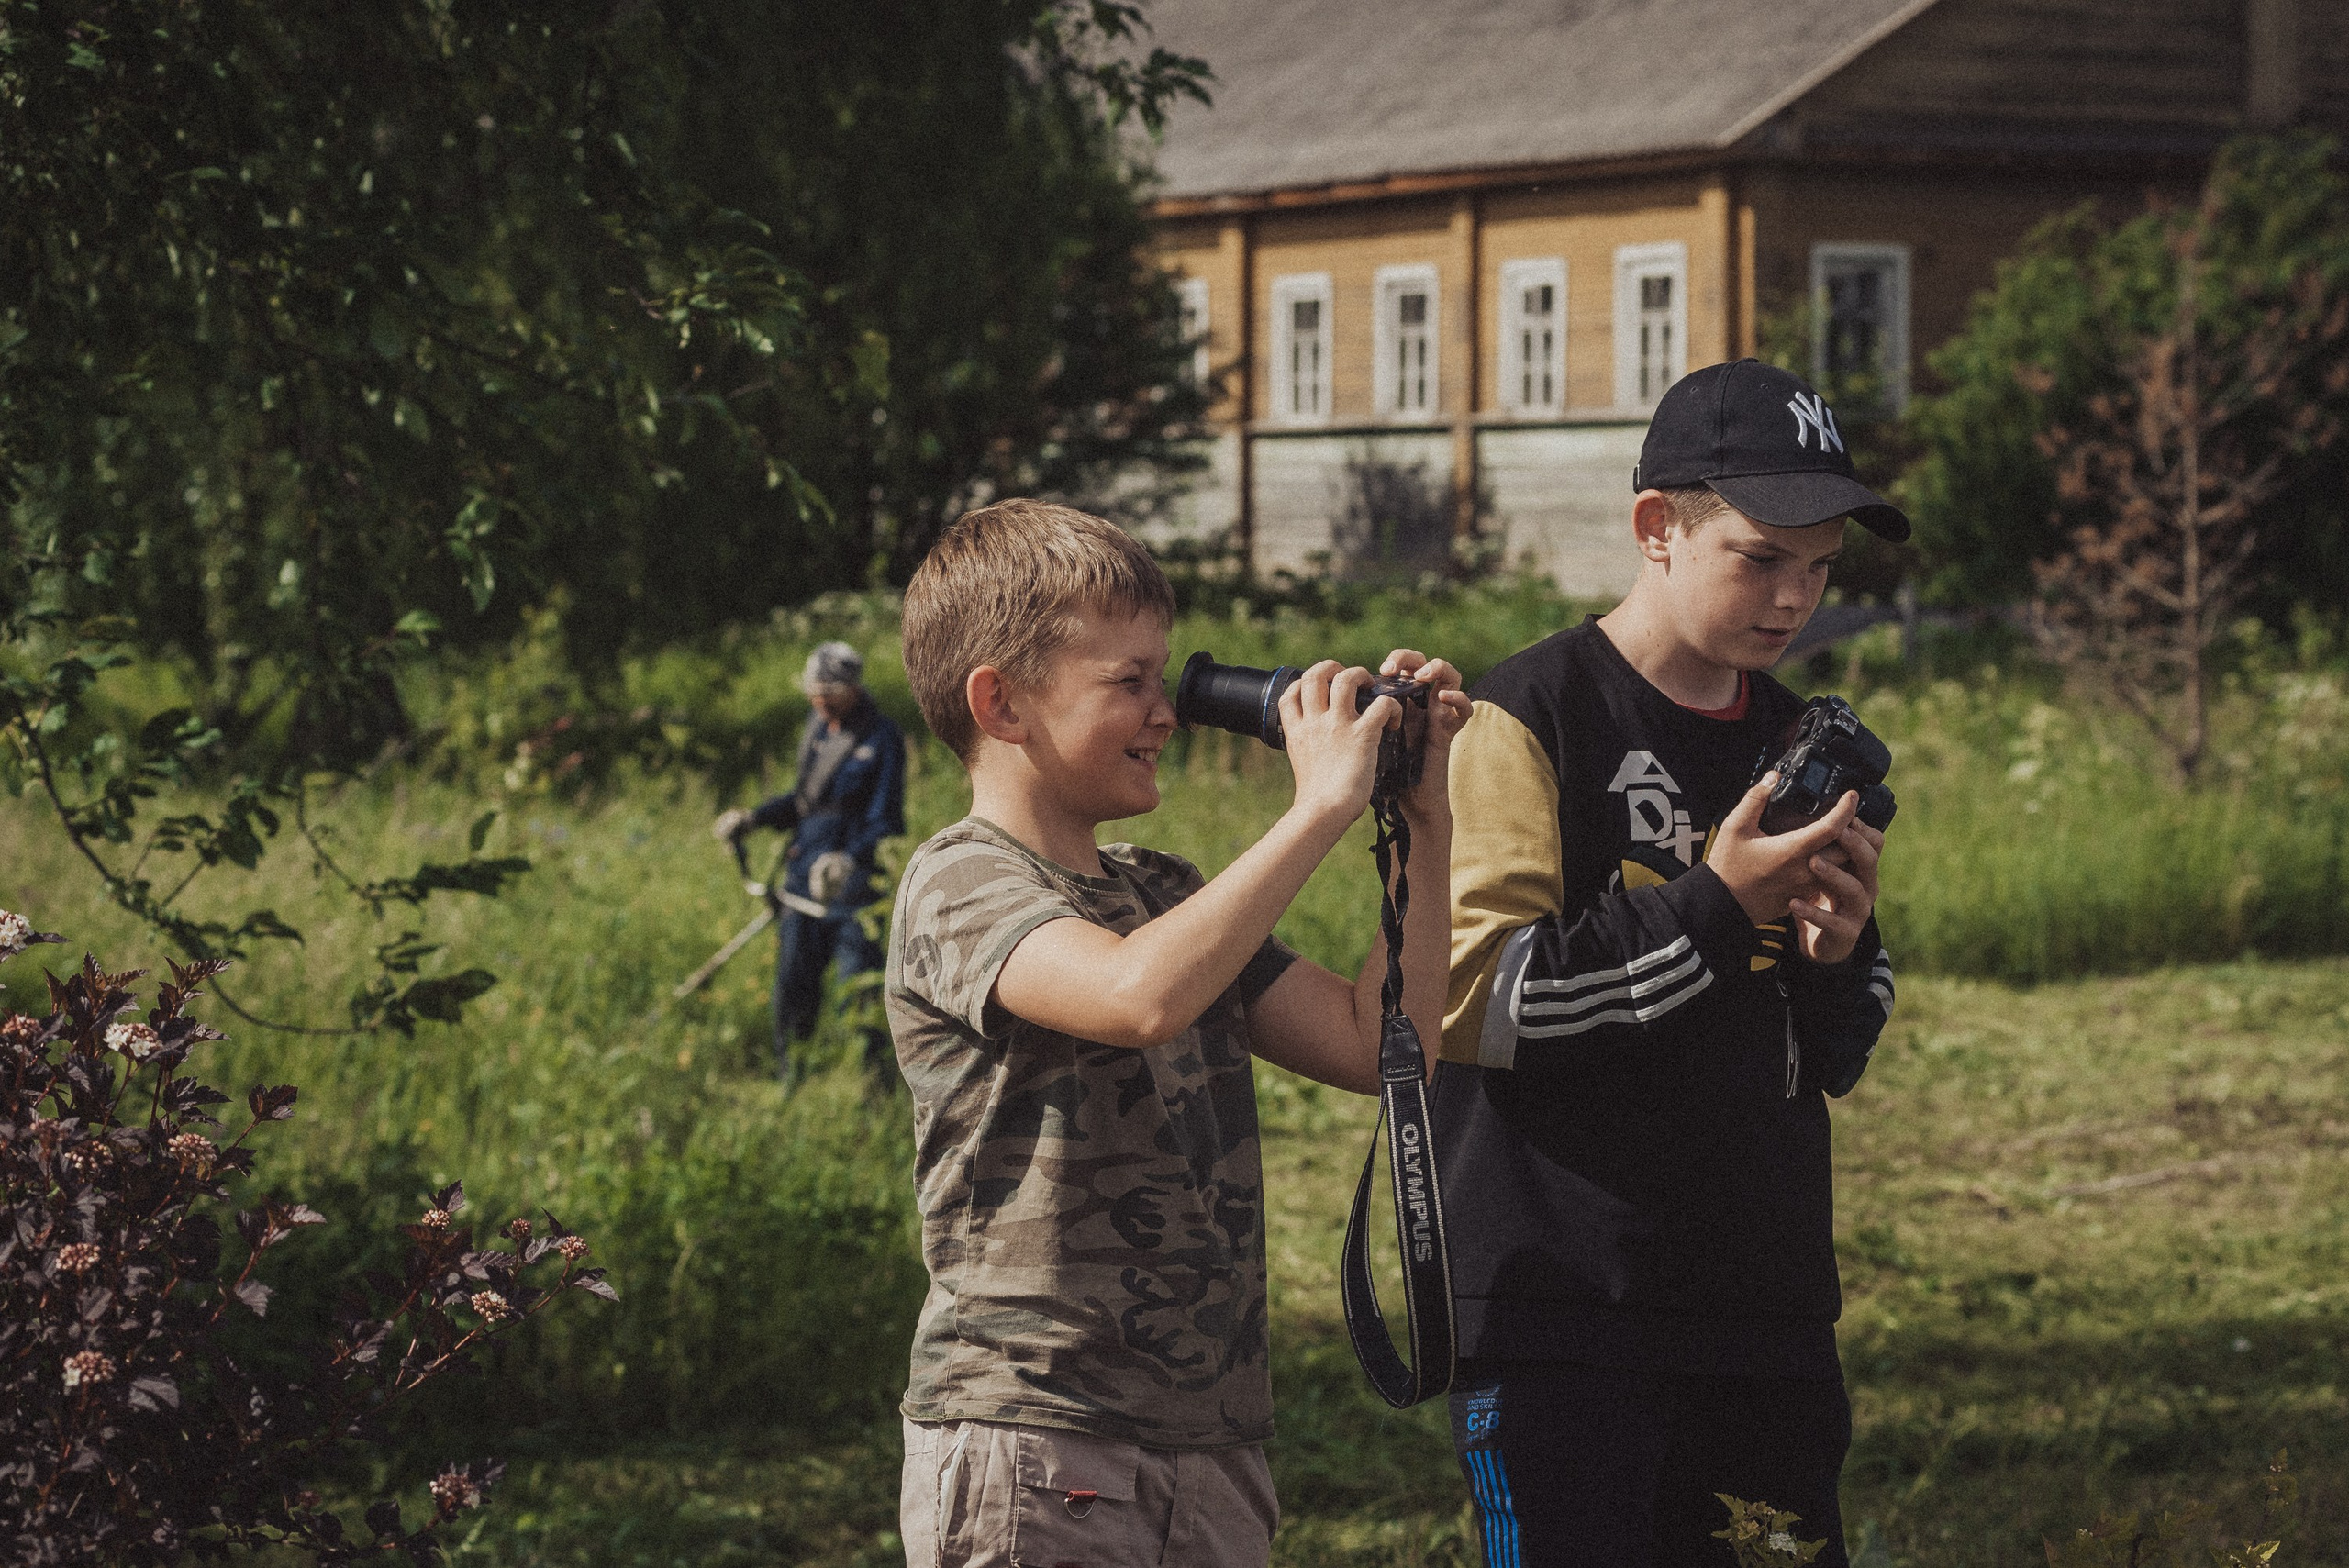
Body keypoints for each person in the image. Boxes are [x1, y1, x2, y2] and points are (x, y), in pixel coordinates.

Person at [885, 497, 1468, 1568]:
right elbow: (1132, 997)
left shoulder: (1164, 892)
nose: (1168, 712)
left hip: (1209, 1437)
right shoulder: (960, 879)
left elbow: (1375, 1043)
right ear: (1001, 702)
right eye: (1129, 682)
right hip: (1036, 1431)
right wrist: (1314, 809)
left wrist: (1417, 825)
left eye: (1165, 677)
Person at [1436, 360, 1904, 1567]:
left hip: (1766, 1313)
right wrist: (1715, 901)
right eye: (1760, 556)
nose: (1794, 596)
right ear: (1658, 526)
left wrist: (1840, 957)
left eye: (1820, 566)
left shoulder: (1797, 739)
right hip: (1569, 1315)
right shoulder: (1524, 716)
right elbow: (1480, 1000)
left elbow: (1839, 1050)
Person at [712, 640, 906, 1081]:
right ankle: (790, 1080)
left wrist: (848, 861)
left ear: (853, 689)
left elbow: (886, 820)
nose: (819, 701)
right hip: (801, 881)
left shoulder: (881, 737)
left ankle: (872, 1093)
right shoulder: (817, 728)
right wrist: (753, 819)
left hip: (852, 889)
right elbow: (803, 803)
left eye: (829, 693)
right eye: (813, 693)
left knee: (857, 992)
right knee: (792, 989)